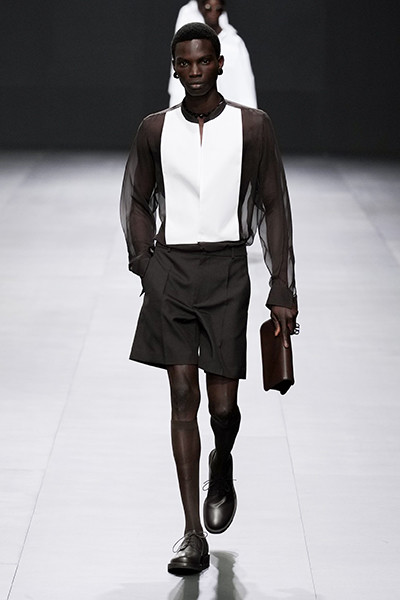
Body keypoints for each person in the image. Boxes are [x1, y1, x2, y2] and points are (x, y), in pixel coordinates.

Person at [120, 22, 297, 576]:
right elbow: (137, 198)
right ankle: (191, 532)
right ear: (175, 69)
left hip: (226, 273)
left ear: (219, 63)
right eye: (185, 63)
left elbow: (274, 204)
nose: (194, 72)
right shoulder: (155, 129)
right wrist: (146, 263)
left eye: (203, 62)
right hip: (171, 272)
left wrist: (282, 287)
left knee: (222, 408)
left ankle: (222, 460)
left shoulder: (253, 127)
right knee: (182, 397)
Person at [168, 0, 257, 108]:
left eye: (218, 8)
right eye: (208, 7)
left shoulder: (234, 44)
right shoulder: (187, 14)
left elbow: (244, 85)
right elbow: (178, 84)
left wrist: (249, 115)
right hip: (193, 109)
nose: (213, 12)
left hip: (230, 110)